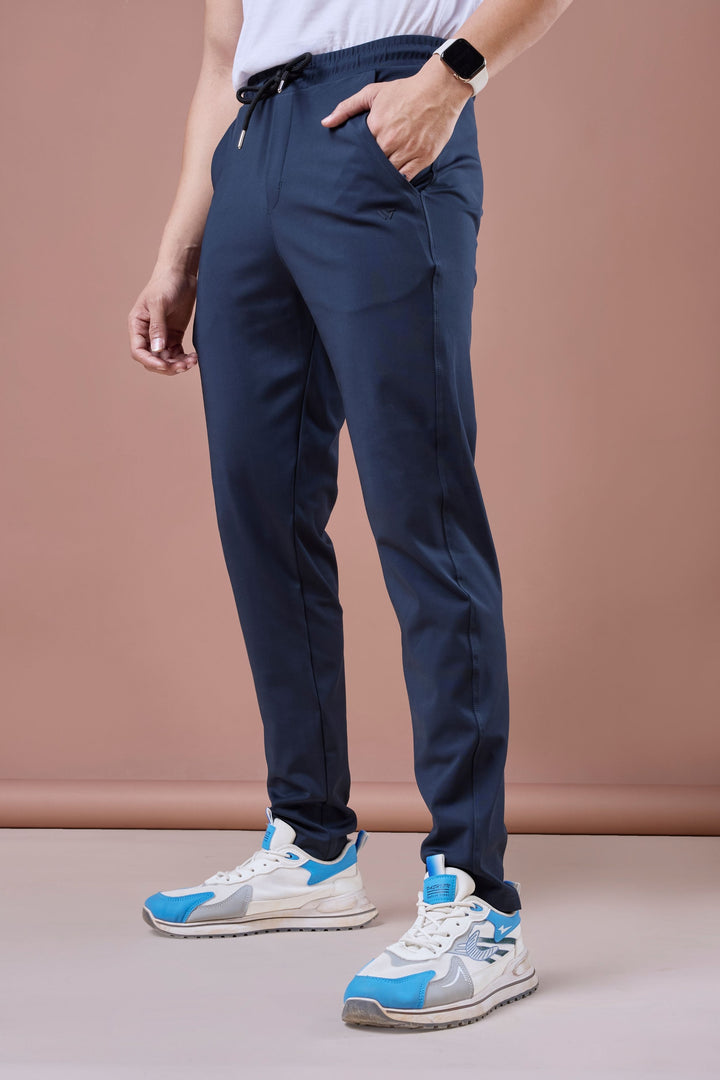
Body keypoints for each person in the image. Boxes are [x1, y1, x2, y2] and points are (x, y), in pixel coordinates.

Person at [128, 0, 574, 1031]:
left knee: (424, 511)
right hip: (252, 149)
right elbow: (220, 58)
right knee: (259, 510)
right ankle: (312, 843)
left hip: (382, 119)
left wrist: (451, 78)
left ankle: (477, 900)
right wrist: (180, 251)